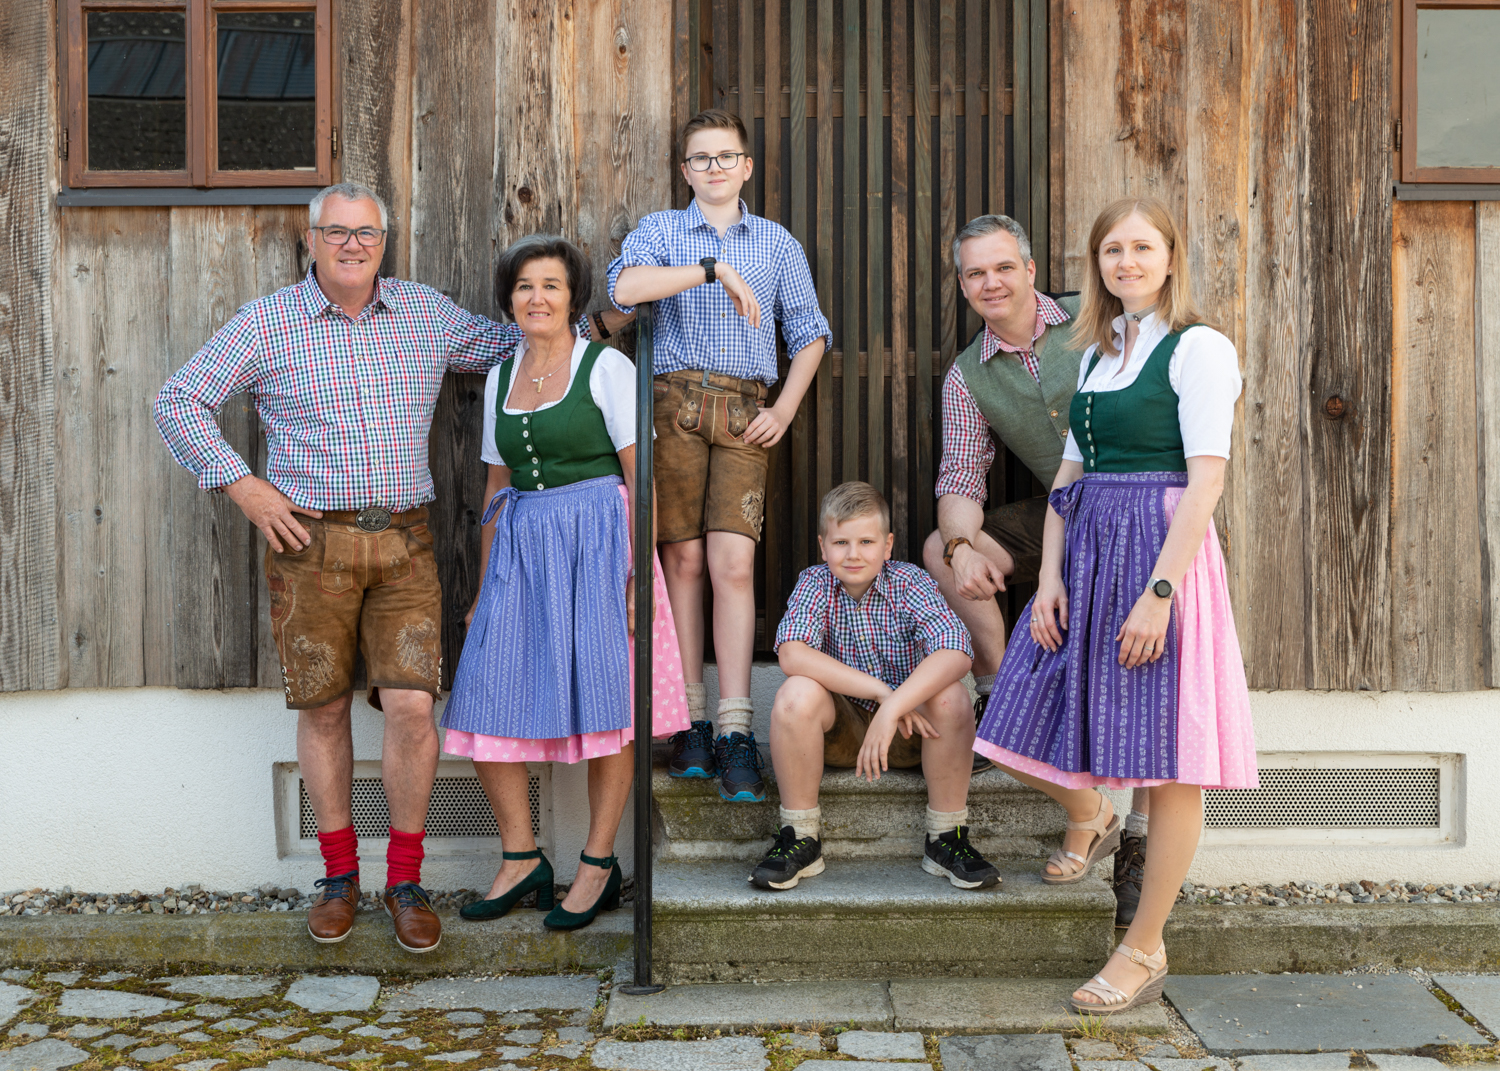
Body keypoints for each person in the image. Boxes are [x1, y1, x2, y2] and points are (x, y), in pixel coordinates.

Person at [153, 182, 627, 953]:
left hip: (405, 544)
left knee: (412, 708)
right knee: (325, 709)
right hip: (309, 546)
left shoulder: (424, 313)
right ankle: (340, 879)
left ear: (385, 241)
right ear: (311, 241)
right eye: (336, 232)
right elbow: (179, 401)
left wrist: (605, 317)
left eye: (366, 233)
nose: (351, 245)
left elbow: (520, 340)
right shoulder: (268, 322)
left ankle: (405, 881)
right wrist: (244, 485)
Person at [974, 197, 1258, 1012]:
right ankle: (1092, 817)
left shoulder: (1198, 348)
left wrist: (1160, 596)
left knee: (1168, 766)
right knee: (1018, 722)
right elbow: (1068, 478)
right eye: (1110, 250)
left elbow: (1207, 481)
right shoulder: (1101, 352)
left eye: (1141, 247)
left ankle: (1143, 945)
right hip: (1090, 557)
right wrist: (1051, 578)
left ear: (1170, 255)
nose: (1125, 262)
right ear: (1096, 265)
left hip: (1160, 560)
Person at [439, 235, 690, 932]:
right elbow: (495, 485)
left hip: (600, 543)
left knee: (608, 705)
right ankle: (521, 856)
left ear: (572, 298)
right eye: (524, 287)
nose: (537, 298)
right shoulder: (499, 377)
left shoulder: (605, 367)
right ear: (509, 300)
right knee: (484, 698)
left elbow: (643, 478)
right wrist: (484, 588)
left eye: (550, 285)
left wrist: (640, 575)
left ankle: (598, 863)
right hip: (521, 548)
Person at [920, 213, 1151, 923]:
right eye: (974, 273)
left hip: (1139, 509)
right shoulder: (968, 373)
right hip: (1059, 511)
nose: (990, 282)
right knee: (938, 547)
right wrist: (962, 550)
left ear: (1027, 268)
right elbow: (961, 478)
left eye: (1002, 268)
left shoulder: (1098, 316)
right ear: (963, 285)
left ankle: (1103, 821)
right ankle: (997, 688)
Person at [608, 108, 831, 804]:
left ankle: (736, 726)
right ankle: (690, 720)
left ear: (746, 167)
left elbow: (812, 332)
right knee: (683, 559)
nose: (712, 168)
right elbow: (621, 292)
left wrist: (784, 409)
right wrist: (708, 270)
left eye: (724, 157)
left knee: (734, 561)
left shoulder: (775, 243)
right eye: (699, 158)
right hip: (671, 406)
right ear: (685, 170)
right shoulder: (661, 232)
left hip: (743, 410)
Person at [755, 482, 1002, 892]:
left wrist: (894, 708)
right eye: (841, 542)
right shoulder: (814, 584)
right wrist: (880, 694)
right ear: (823, 546)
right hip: (844, 732)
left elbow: (957, 650)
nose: (853, 554)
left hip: (912, 732)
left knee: (952, 696)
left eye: (866, 541)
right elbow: (793, 654)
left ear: (887, 546)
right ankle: (800, 836)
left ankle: (946, 837)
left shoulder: (910, 582)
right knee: (795, 694)